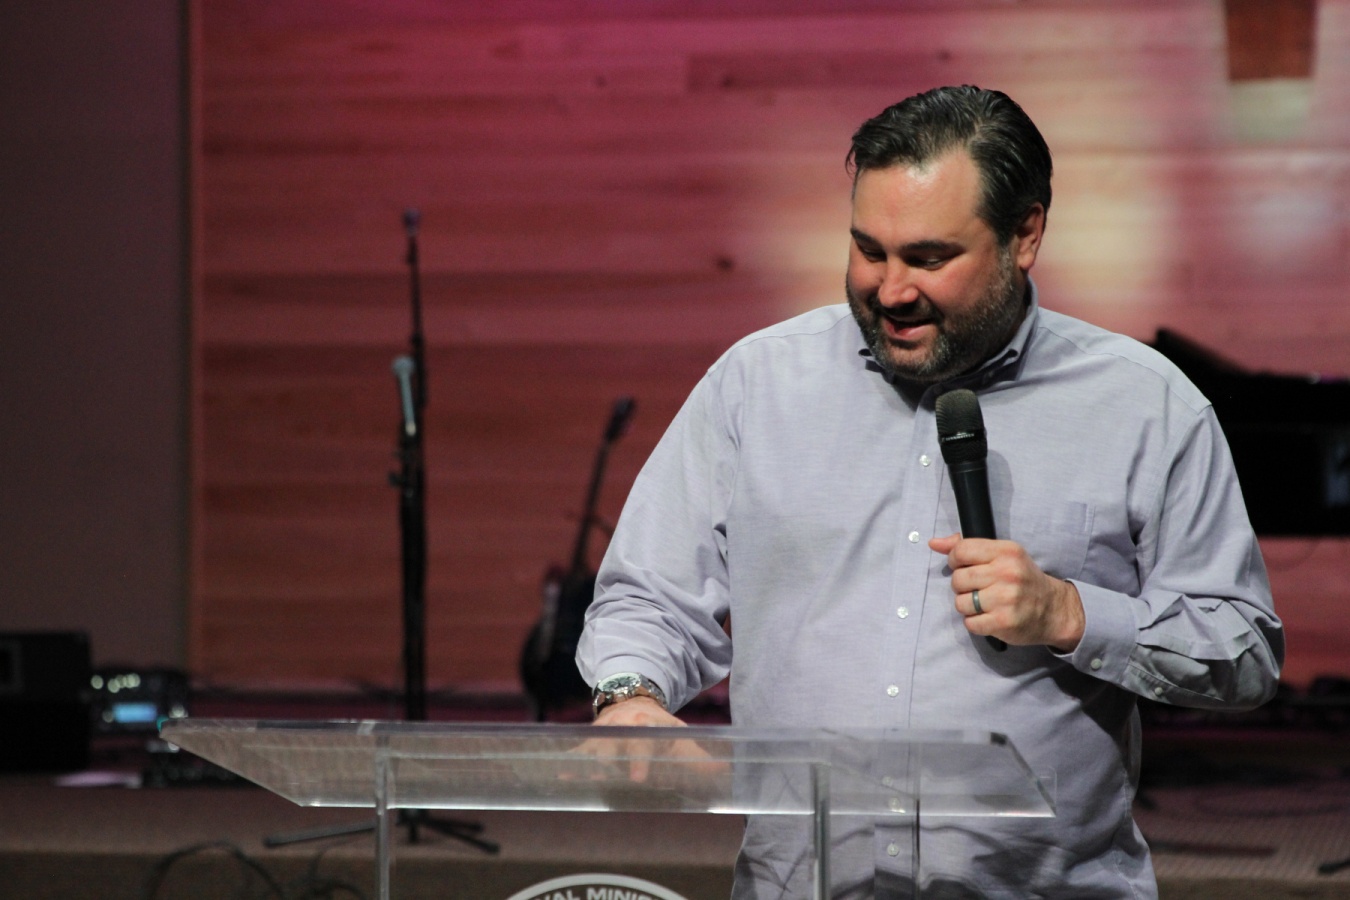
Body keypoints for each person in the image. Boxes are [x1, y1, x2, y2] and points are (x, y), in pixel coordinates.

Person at [576, 85, 1284, 898]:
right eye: (868, 250)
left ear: (1025, 235)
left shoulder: (1145, 406)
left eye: (928, 258)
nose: (891, 290)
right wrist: (629, 694)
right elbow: (651, 596)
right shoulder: (756, 385)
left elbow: (1243, 650)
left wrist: (1072, 614)